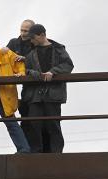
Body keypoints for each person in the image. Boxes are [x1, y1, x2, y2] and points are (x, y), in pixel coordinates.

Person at [24, 24, 74, 153]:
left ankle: (56, 153)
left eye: (33, 38)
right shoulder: (31, 54)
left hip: (53, 94)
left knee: (53, 125)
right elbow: (24, 69)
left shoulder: (58, 49)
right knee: (33, 124)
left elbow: (68, 65)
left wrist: (53, 72)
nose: (31, 41)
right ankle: (36, 153)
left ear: (42, 35)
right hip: (35, 95)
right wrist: (32, 73)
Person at [7, 19, 40, 146]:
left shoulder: (36, 44)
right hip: (17, 81)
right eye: (21, 30)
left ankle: (35, 148)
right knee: (25, 116)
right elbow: (4, 58)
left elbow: (40, 61)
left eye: (26, 31)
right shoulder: (13, 42)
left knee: (35, 119)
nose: (23, 33)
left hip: (32, 83)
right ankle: (26, 147)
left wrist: (25, 59)